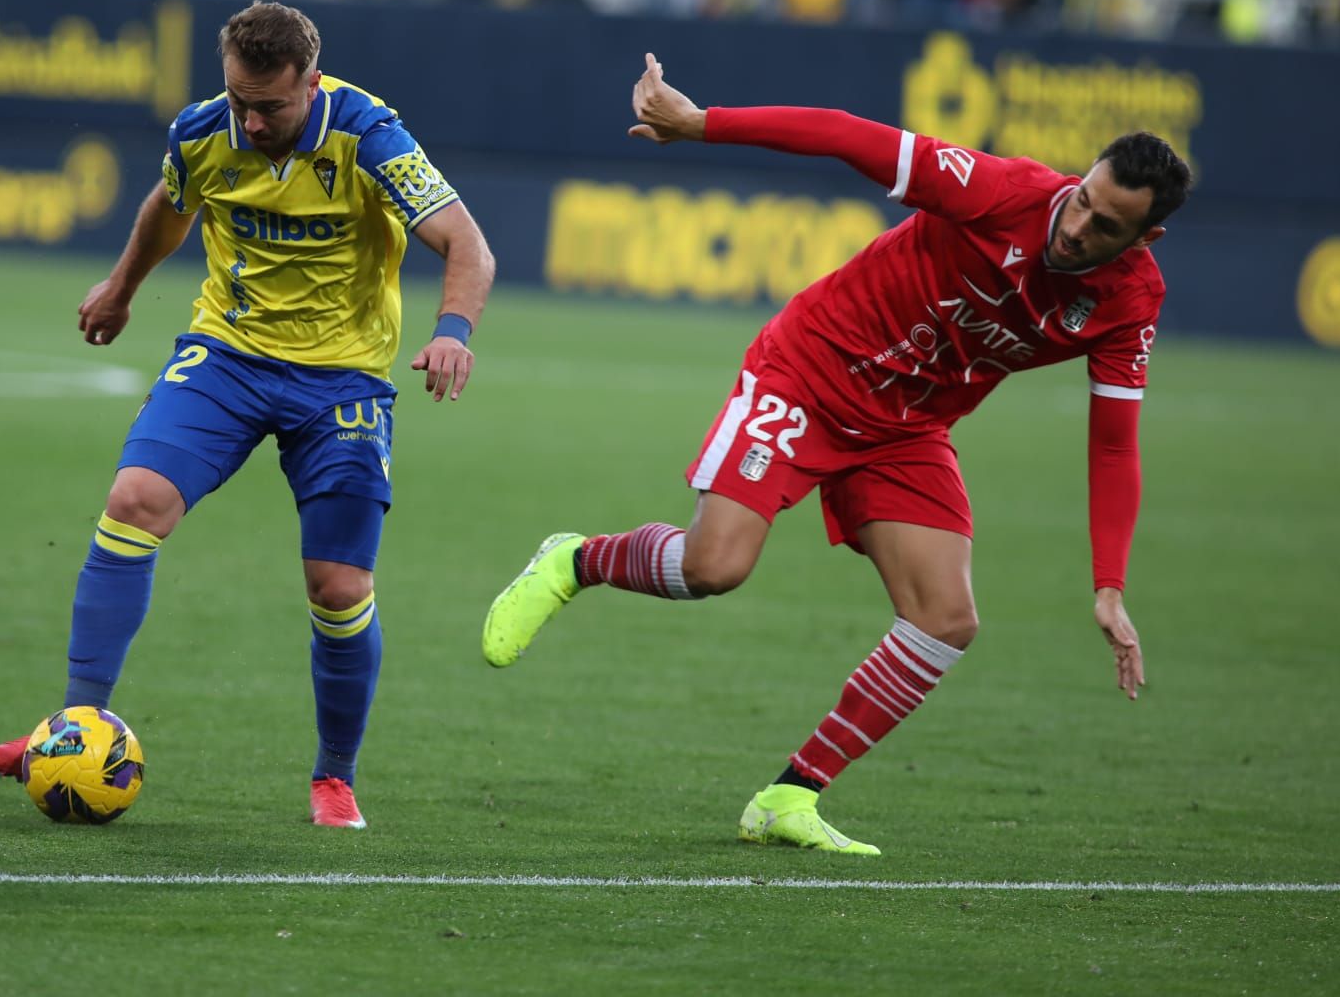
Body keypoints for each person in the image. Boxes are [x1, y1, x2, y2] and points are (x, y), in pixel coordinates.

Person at [482, 53, 1191, 856]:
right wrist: (703, 123)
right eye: (1082, 201)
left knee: (946, 619)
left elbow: (1112, 443)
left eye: (1104, 225)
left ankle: (789, 796)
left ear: (1146, 236)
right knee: (714, 568)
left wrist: (1108, 586)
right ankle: (576, 561)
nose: (1075, 228)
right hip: (811, 372)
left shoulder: (1130, 300)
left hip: (906, 429)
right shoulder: (1001, 191)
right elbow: (846, 135)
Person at [0, 0, 495, 828]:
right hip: (229, 357)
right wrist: (121, 288)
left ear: (311, 83)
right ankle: (70, 732)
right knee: (132, 501)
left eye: (271, 107)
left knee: (338, 585)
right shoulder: (205, 130)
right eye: (239, 100)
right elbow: (168, 209)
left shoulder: (370, 135)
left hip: (343, 381)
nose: (251, 121)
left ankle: (334, 776)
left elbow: (468, 244)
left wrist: (453, 333)